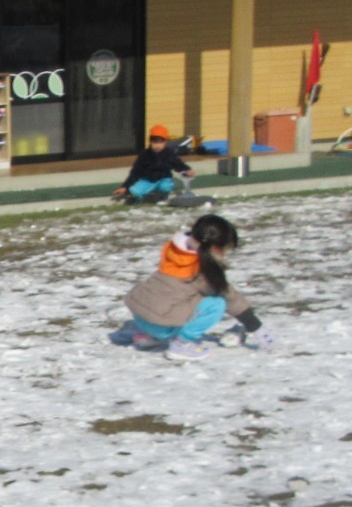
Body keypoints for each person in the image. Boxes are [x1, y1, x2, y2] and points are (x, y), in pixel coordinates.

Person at [112, 212, 269, 361]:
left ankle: (149, 337)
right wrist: (255, 326)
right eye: (226, 249)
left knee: (176, 294)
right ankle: (182, 344)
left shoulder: (175, 251)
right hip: (160, 325)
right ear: (215, 248)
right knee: (217, 303)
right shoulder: (203, 267)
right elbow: (229, 297)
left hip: (141, 317)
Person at [111, 124, 195, 204]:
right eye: (155, 142)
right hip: (148, 180)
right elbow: (135, 172)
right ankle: (146, 196)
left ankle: (163, 194)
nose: (157, 145)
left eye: (160, 142)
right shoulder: (144, 155)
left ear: (165, 143)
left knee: (165, 187)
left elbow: (178, 164)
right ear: (150, 142)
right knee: (135, 191)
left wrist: (187, 170)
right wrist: (125, 187)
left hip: (164, 179)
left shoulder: (169, 154)